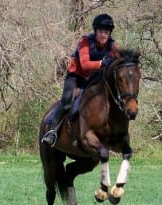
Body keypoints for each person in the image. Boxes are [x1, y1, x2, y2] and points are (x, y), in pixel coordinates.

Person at [42, 13, 119, 146]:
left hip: (95, 78)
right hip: (76, 75)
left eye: (106, 31)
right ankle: (52, 132)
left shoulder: (113, 46)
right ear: (95, 31)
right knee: (67, 101)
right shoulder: (84, 42)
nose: (103, 34)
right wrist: (101, 63)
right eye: (100, 31)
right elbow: (85, 64)